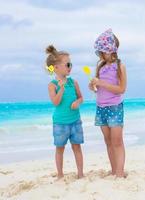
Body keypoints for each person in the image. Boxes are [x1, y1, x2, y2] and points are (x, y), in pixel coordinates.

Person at [90, 29, 127, 178]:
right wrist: (94, 85)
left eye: (103, 51)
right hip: (101, 107)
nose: (100, 54)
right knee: (108, 141)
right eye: (100, 52)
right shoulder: (100, 67)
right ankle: (114, 170)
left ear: (111, 50)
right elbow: (99, 88)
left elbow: (121, 89)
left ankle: (120, 172)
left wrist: (102, 83)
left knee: (117, 141)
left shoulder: (120, 67)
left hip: (115, 107)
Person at [46, 45, 84, 179]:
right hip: (60, 123)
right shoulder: (52, 85)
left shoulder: (74, 82)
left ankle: (80, 174)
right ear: (56, 67)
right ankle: (60, 175)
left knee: (77, 147)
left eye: (71, 64)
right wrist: (61, 90)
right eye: (68, 64)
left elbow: (81, 97)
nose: (70, 66)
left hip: (75, 121)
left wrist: (77, 102)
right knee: (60, 149)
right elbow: (55, 102)